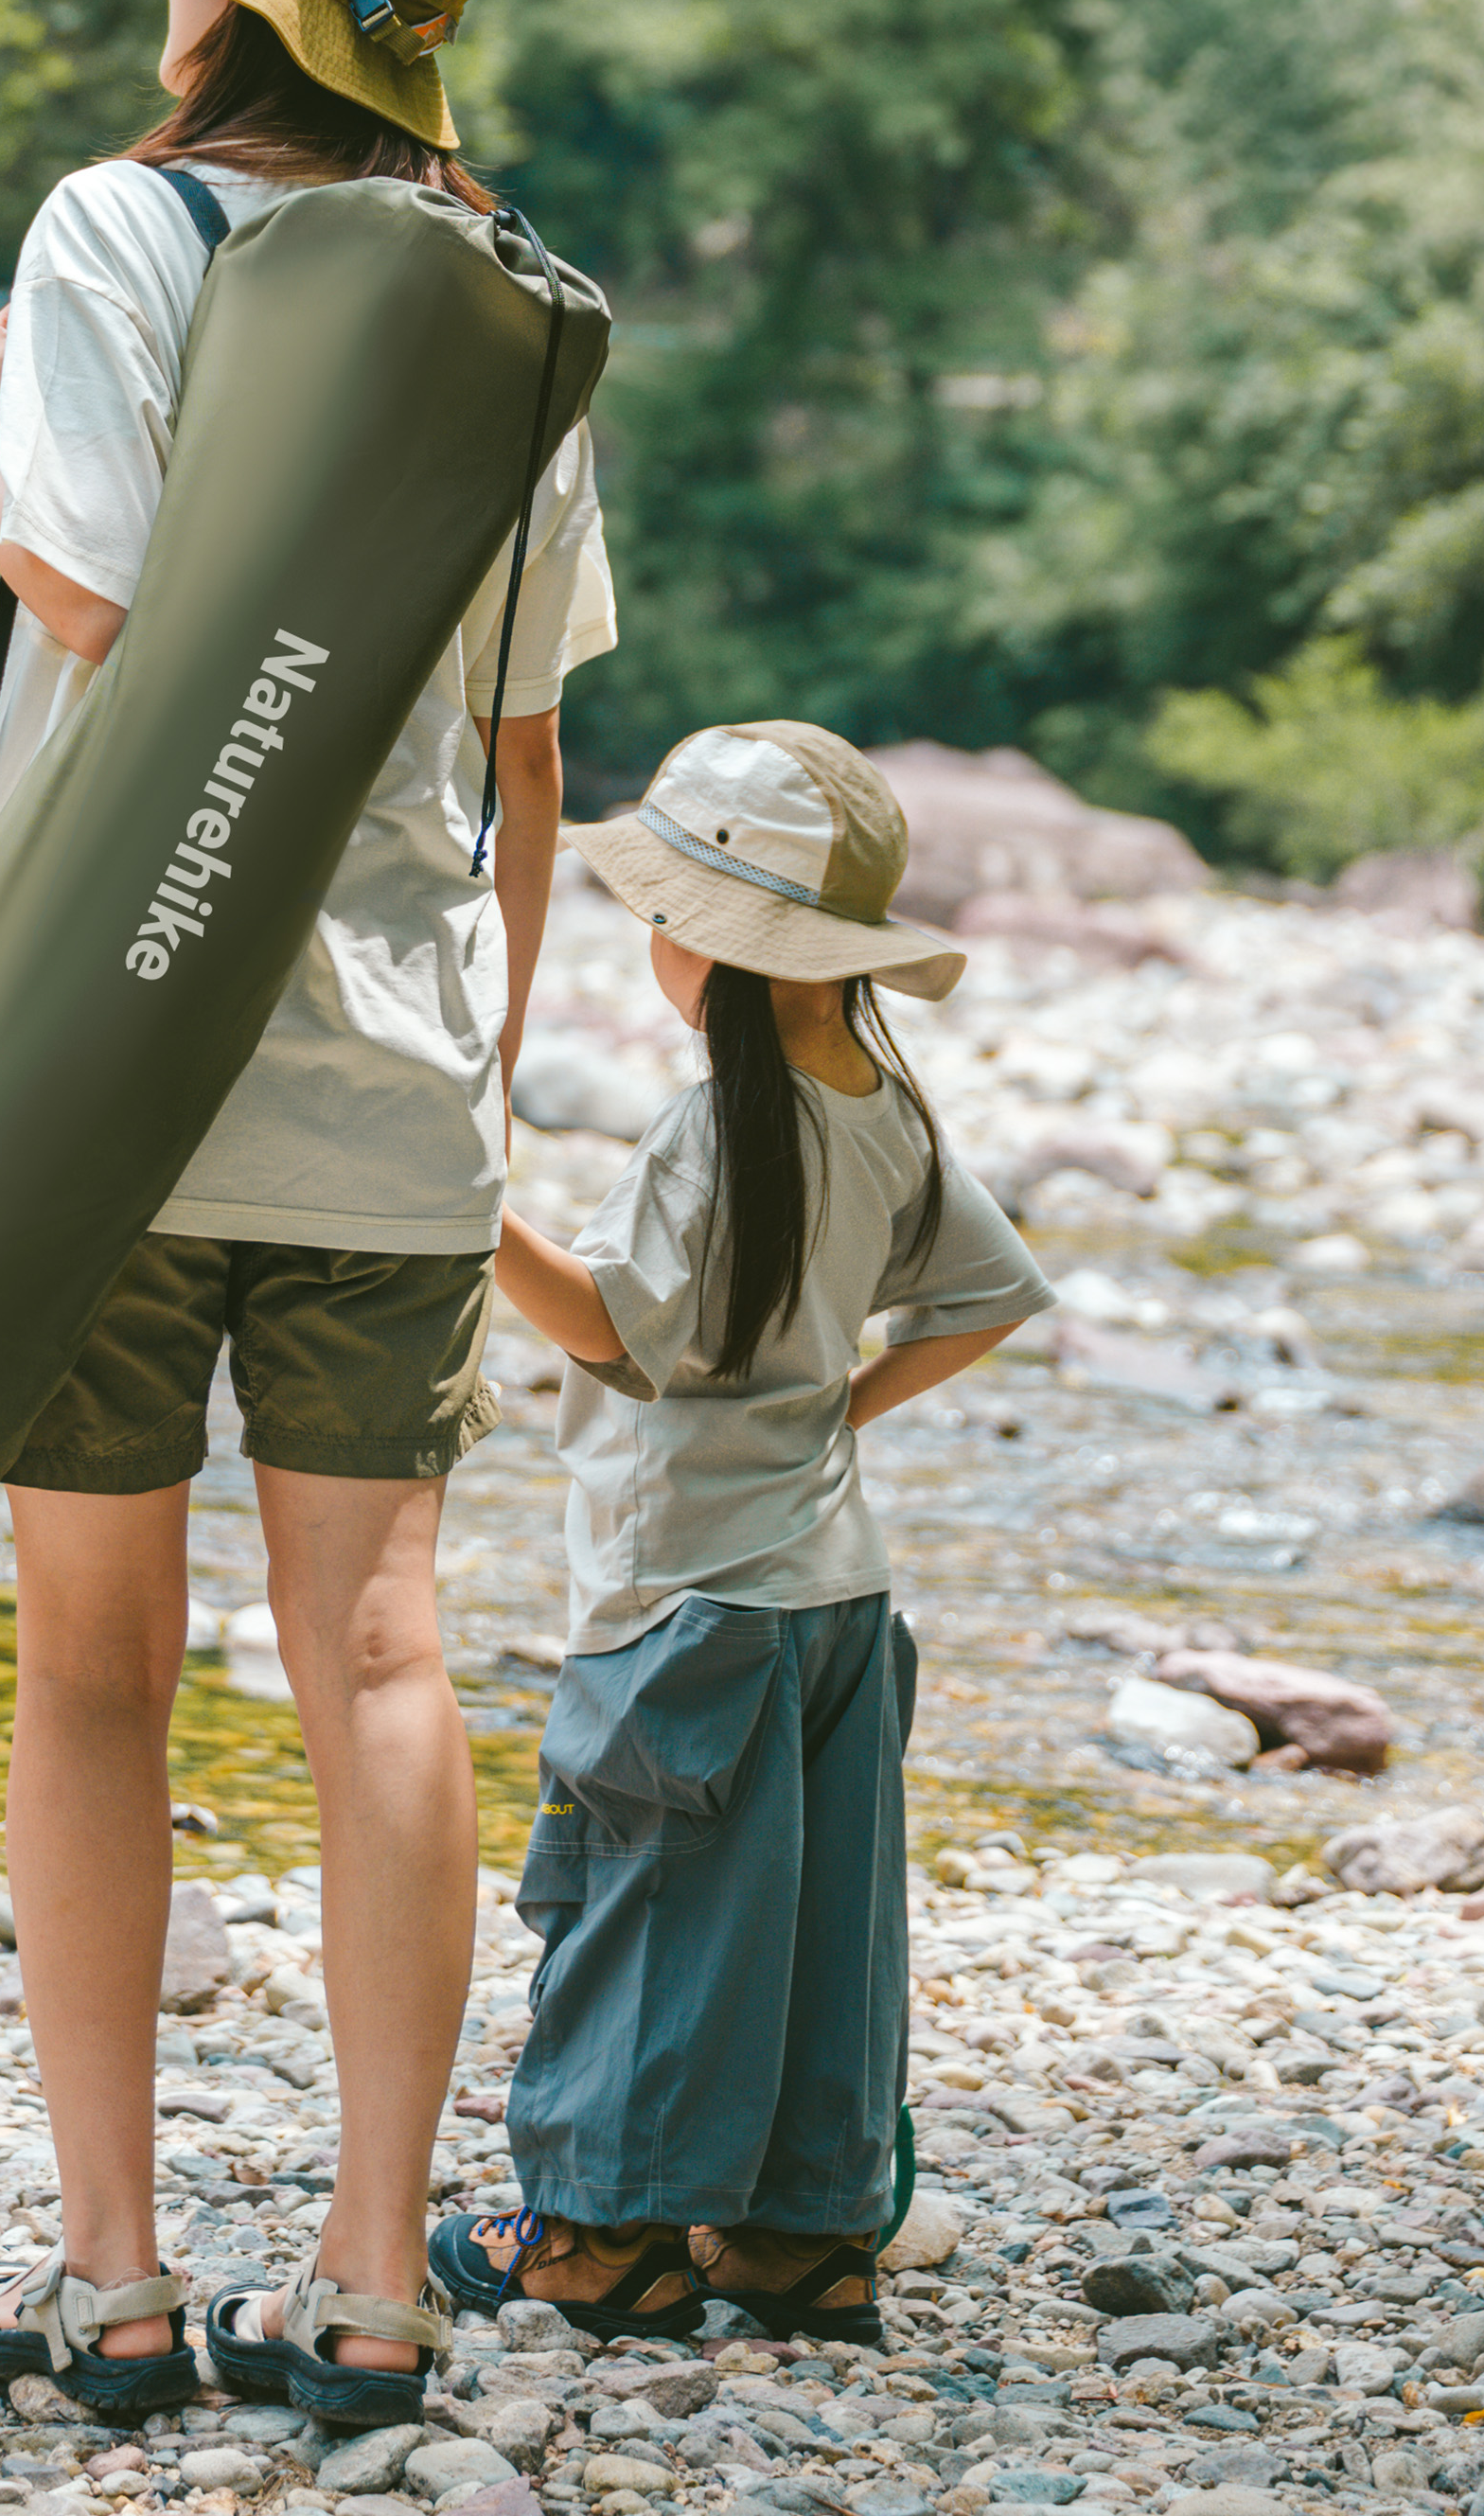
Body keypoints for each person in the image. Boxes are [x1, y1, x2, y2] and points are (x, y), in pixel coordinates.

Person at [0, 0, 617, 2426]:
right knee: (387, 1656)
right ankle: (370, 2286)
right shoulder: (515, 305)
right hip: (392, 1089)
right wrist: (475, 1071)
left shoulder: (121, 231)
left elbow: (123, 617)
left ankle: (112, 2282)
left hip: (110, 1074)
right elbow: (524, 757)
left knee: (92, 1671)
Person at [425, 724, 1055, 2346]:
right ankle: (801, 2241)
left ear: (710, 944)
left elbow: (608, 1328)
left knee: (646, 1907)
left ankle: (599, 2239)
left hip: (686, 1602)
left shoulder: (712, 1128)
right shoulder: (885, 1104)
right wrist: (842, 1411)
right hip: (838, 1594)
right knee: (821, 1922)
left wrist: (462, 1203)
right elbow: (989, 1295)